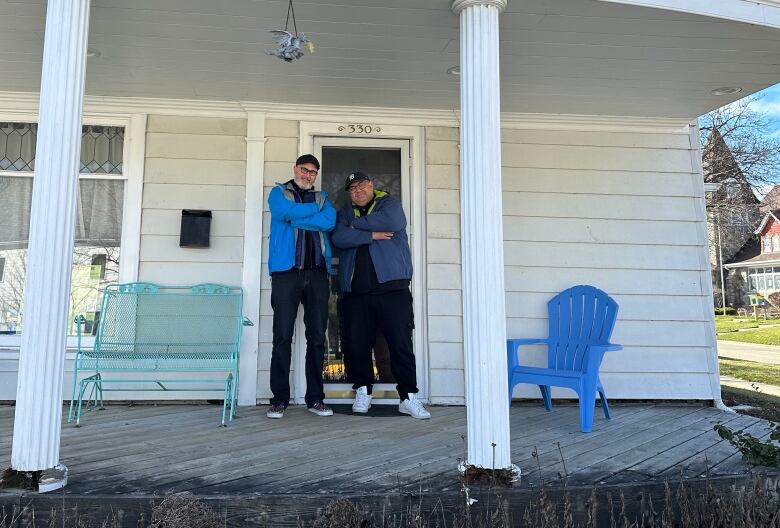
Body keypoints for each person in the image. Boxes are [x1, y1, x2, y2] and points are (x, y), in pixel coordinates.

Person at [331, 171, 431, 419]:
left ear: (372, 185)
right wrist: (371, 235)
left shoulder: (389, 204)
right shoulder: (345, 212)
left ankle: (407, 397)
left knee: (400, 344)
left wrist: (357, 227)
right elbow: (339, 237)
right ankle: (363, 391)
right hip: (356, 292)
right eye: (352, 188)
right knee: (357, 345)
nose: (358, 191)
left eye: (362, 185)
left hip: (393, 289)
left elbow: (393, 222)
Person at [266, 154, 336, 419]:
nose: (308, 175)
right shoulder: (278, 193)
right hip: (286, 272)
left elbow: (329, 222)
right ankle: (279, 399)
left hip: (317, 273)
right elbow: (282, 213)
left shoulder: (323, 198)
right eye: (305, 170)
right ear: (295, 169)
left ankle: (315, 398)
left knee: (317, 338)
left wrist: (296, 218)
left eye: (313, 172)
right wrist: (308, 214)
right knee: (282, 336)